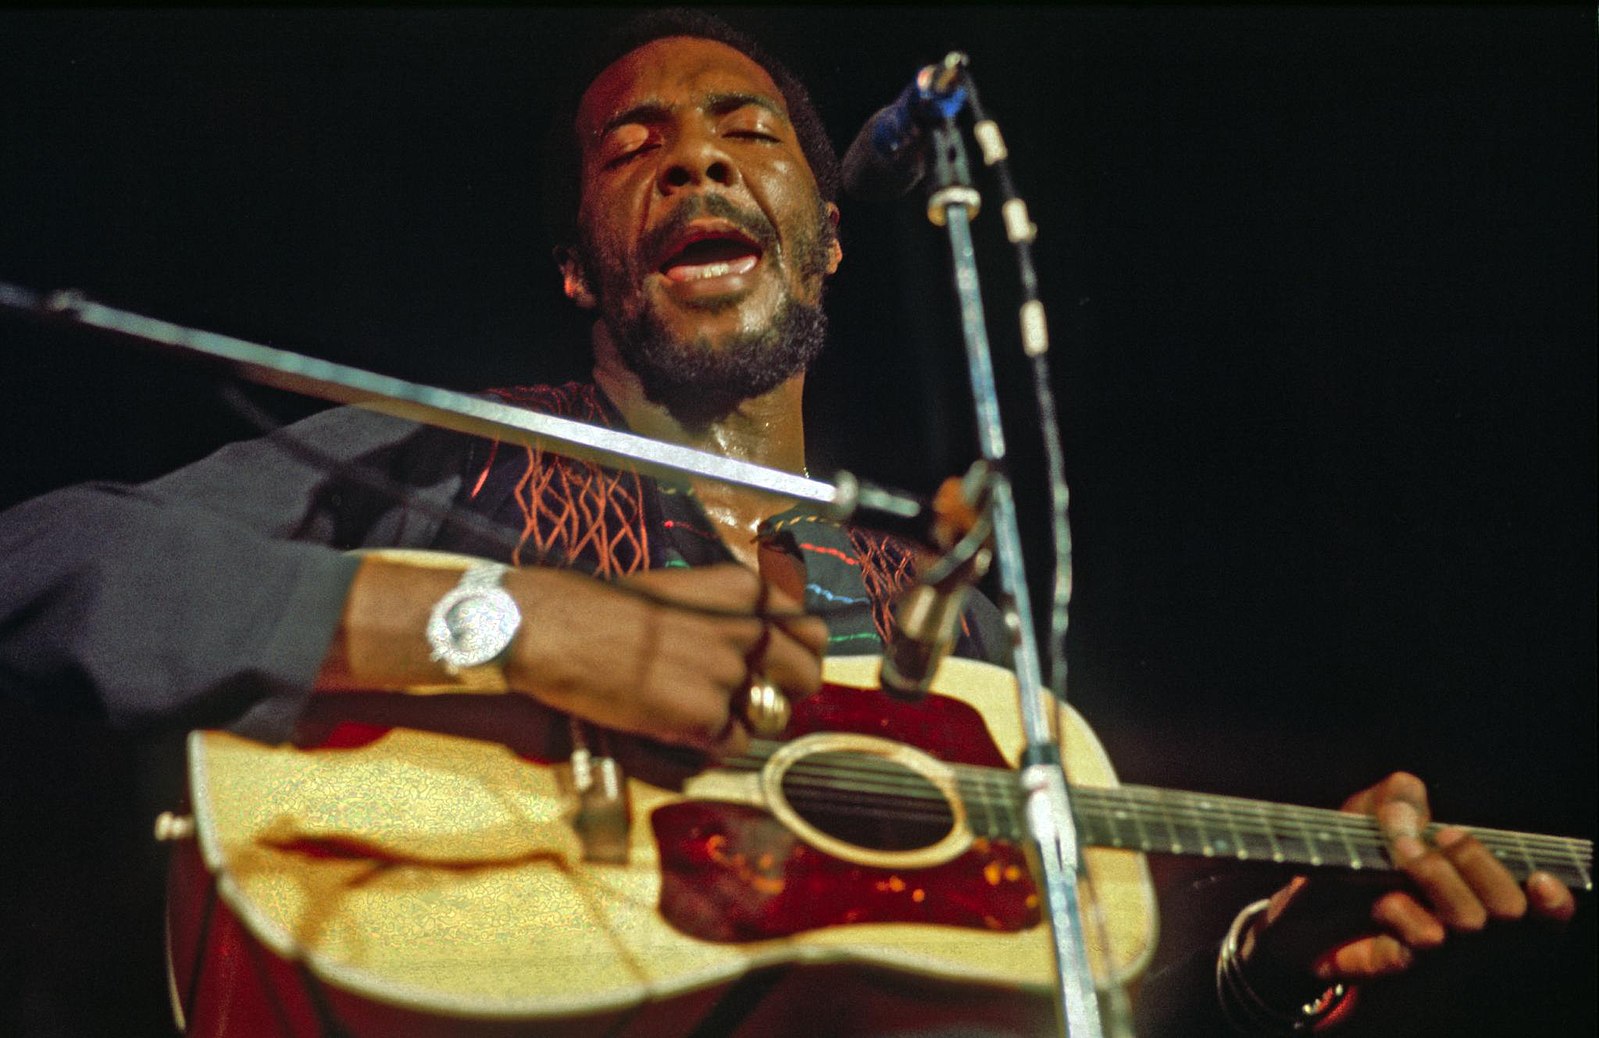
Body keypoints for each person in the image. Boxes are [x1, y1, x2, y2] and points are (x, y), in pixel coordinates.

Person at [0, 9, 1577, 1037]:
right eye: (634, 143)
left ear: (825, 245)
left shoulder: (952, 630)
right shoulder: (438, 467)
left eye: (746, 131)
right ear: (580, 265)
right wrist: (511, 620)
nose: (692, 150)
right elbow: (44, 565)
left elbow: (998, 983)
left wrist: (1260, 964)